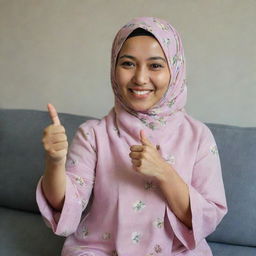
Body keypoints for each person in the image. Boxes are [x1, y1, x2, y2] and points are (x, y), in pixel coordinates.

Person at [36, 17, 227, 256]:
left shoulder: (198, 136)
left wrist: (164, 172)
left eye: (155, 65)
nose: (140, 78)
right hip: (100, 250)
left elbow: (207, 219)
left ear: (175, 70)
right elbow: (67, 208)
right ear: (114, 68)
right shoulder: (93, 134)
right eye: (127, 63)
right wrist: (54, 163)